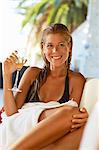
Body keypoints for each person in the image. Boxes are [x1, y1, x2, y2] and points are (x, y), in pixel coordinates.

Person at [3, 23, 88, 150]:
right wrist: (6, 75)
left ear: (69, 47)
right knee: (70, 112)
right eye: (50, 46)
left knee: (81, 130)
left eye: (61, 45)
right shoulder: (33, 73)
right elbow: (11, 113)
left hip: (48, 136)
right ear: (43, 48)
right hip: (20, 129)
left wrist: (82, 117)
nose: (55, 51)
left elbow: (72, 124)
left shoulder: (76, 80)